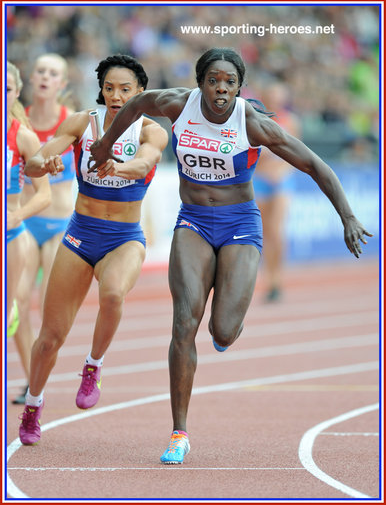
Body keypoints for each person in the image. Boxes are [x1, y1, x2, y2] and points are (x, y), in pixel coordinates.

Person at [89, 47, 372, 465]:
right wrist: (104, 145)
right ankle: (179, 432)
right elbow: (134, 105)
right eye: (213, 80)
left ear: (239, 87)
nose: (221, 89)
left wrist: (347, 216)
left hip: (240, 224)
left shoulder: (252, 123)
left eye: (229, 82)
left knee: (221, 332)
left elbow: (315, 165)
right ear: (200, 82)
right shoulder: (176, 105)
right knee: (184, 322)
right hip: (194, 222)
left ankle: (229, 308)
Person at [17, 54, 168, 445]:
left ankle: (93, 365)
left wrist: (119, 166)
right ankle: (33, 404)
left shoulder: (152, 131)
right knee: (50, 338)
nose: (116, 96)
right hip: (80, 235)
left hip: (124, 237)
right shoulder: (83, 123)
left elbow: (145, 164)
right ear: (101, 90)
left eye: (126, 89)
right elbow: (33, 162)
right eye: (110, 88)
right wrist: (44, 163)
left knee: (114, 293)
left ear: (140, 93)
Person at [12, 53, 76, 405]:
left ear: (62, 84)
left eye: (53, 73)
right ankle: (29, 378)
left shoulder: (71, 121)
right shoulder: (15, 119)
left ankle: (41, 368)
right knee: (17, 303)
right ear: (30, 79)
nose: (45, 77)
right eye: (40, 70)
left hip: (58, 224)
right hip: (23, 221)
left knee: (49, 309)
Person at [6, 61, 51, 339]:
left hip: (9, 236)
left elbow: (44, 194)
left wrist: (16, 216)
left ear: (17, 92)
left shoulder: (24, 138)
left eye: (7, 89)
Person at [253, 82, 301, 302]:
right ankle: (269, 279)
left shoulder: (291, 122)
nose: (275, 100)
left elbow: (298, 154)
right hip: (260, 179)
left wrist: (282, 170)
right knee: (264, 232)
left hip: (281, 179)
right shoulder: (255, 119)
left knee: (276, 229)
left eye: (279, 96)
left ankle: (277, 279)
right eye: (272, 95)